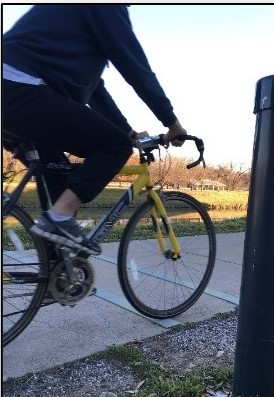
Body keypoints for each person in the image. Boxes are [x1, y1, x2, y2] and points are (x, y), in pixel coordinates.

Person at [2, 5, 187, 256]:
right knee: (114, 147)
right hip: (18, 87)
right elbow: (135, 68)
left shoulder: (75, 28)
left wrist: (129, 133)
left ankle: (54, 270)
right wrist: (171, 122)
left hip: (15, 94)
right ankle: (58, 219)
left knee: (58, 175)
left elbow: (96, 92)